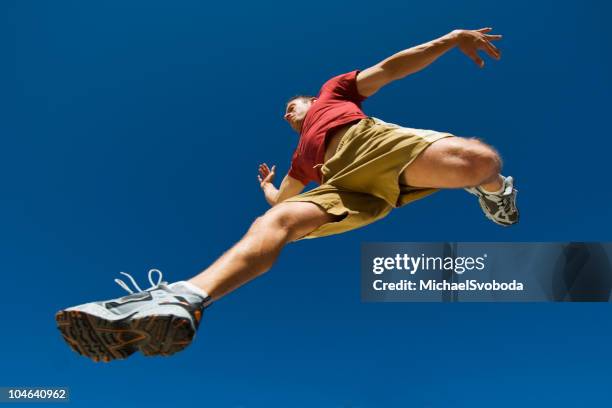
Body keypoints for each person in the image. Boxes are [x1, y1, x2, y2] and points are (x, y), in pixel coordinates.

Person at [56, 27, 519, 362]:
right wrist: (267, 188)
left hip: (373, 143)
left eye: (289, 108)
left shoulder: (332, 93)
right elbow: (284, 202)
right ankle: (183, 296)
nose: (287, 116)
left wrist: (450, 39)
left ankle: (496, 194)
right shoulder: (302, 158)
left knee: (479, 163)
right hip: (345, 187)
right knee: (275, 223)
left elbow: (389, 69)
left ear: (306, 102)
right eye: (285, 114)